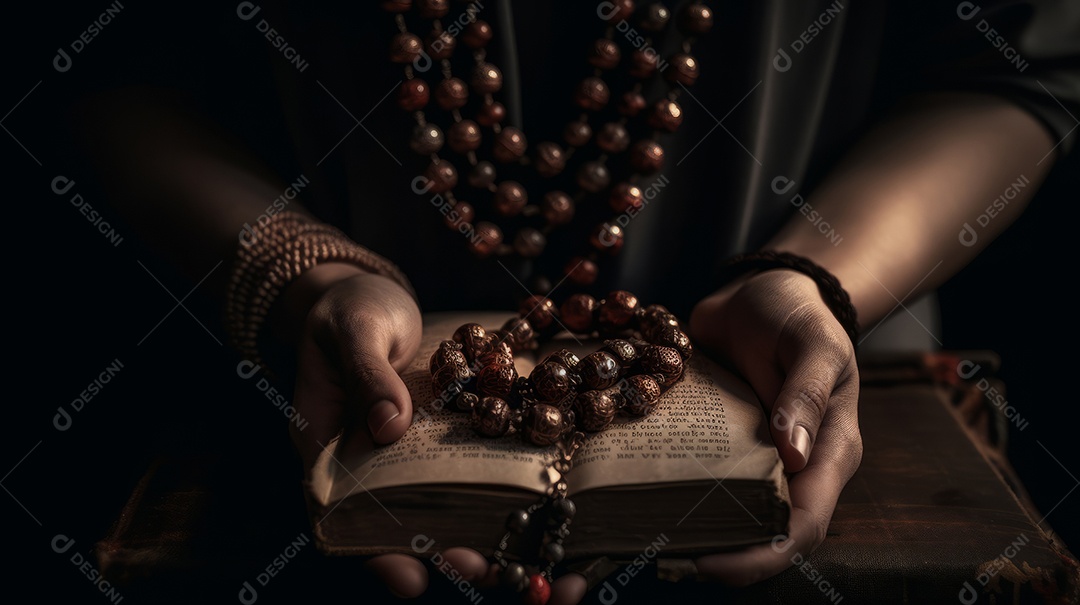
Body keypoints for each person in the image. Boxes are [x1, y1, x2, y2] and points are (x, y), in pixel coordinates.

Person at [74, 0, 1078, 602]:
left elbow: (1011, 63)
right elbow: (118, 64)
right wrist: (306, 275)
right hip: (269, 430)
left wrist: (815, 274)